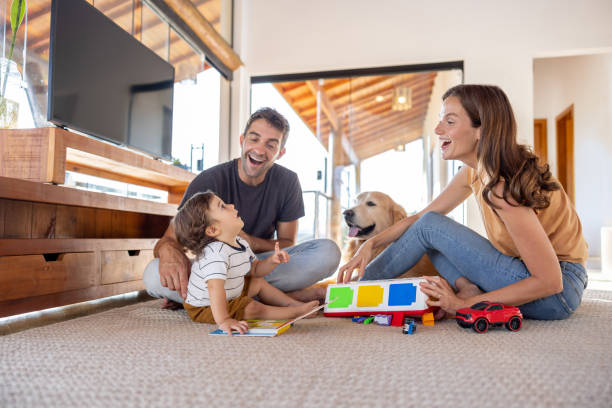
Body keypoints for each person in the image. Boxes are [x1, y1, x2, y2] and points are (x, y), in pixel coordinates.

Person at [338, 84, 588, 320]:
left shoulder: (504, 186)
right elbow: (417, 220)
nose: (438, 129)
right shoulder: (476, 170)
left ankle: (347, 294)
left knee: (431, 226)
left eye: (449, 121)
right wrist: (369, 244)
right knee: (428, 227)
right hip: (532, 275)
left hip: (558, 294)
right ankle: (467, 288)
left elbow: (549, 281)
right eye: (440, 120)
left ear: (481, 130)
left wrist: (465, 306)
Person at [144, 107, 340, 307]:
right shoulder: (209, 180)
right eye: (254, 139)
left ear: (280, 153)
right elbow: (168, 240)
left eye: (270, 145)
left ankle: (209, 300)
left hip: (259, 264)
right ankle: (279, 298)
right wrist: (170, 254)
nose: (259, 150)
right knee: (152, 274)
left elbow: (287, 242)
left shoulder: (288, 181)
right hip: (215, 269)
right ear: (242, 140)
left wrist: (250, 242)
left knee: (328, 252)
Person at [174, 191, 319, 334]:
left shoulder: (240, 242)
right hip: (207, 306)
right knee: (252, 308)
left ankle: (292, 303)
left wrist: (272, 261)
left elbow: (255, 270)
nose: (231, 205)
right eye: (223, 206)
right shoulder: (215, 254)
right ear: (213, 229)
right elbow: (214, 288)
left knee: (258, 282)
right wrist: (224, 320)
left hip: (231, 292)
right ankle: (293, 312)